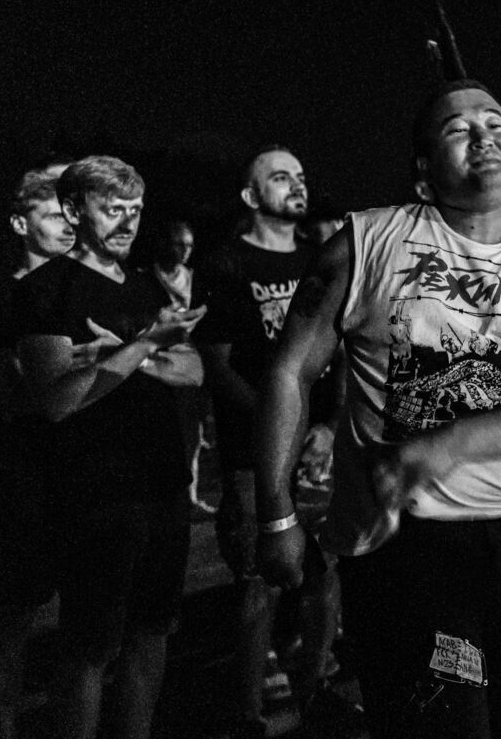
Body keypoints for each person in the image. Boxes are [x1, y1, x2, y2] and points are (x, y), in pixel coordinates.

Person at [254, 80, 501, 738]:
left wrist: (445, 446)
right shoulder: (365, 242)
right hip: (402, 549)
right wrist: (275, 512)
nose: (483, 136)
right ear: (422, 170)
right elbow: (289, 369)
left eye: (496, 123)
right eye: (457, 128)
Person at [15, 155, 206, 739]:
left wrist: (124, 356)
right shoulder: (46, 290)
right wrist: (146, 345)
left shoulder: (145, 283)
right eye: (113, 209)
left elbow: (193, 369)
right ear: (74, 210)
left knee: (153, 630)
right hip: (96, 494)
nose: (128, 222)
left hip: (163, 482)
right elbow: (58, 398)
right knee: (90, 646)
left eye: (136, 210)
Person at [194, 146, 341, 733]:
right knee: (261, 580)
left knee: (325, 574)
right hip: (254, 453)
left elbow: (340, 353)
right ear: (251, 196)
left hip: (318, 451)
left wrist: (328, 426)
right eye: (281, 177)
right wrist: (280, 425)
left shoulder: (319, 259)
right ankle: (249, 711)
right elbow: (218, 365)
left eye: (300, 176)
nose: (296, 185)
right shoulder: (226, 265)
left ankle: (314, 693)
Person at [0, 164, 75, 739]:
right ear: (20, 223)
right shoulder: (1, 298)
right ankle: (0, 727)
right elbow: (13, 393)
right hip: (27, 476)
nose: (67, 225)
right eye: (54, 214)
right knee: (16, 615)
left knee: (83, 621)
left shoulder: (80, 288)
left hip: (85, 476)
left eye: (71, 215)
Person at [149, 219, 215, 517]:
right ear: (164, 243)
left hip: (192, 363)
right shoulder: (147, 279)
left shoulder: (194, 278)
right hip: (159, 364)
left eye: (189, 245)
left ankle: (189, 498)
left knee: (193, 434)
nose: (185, 250)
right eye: (179, 244)